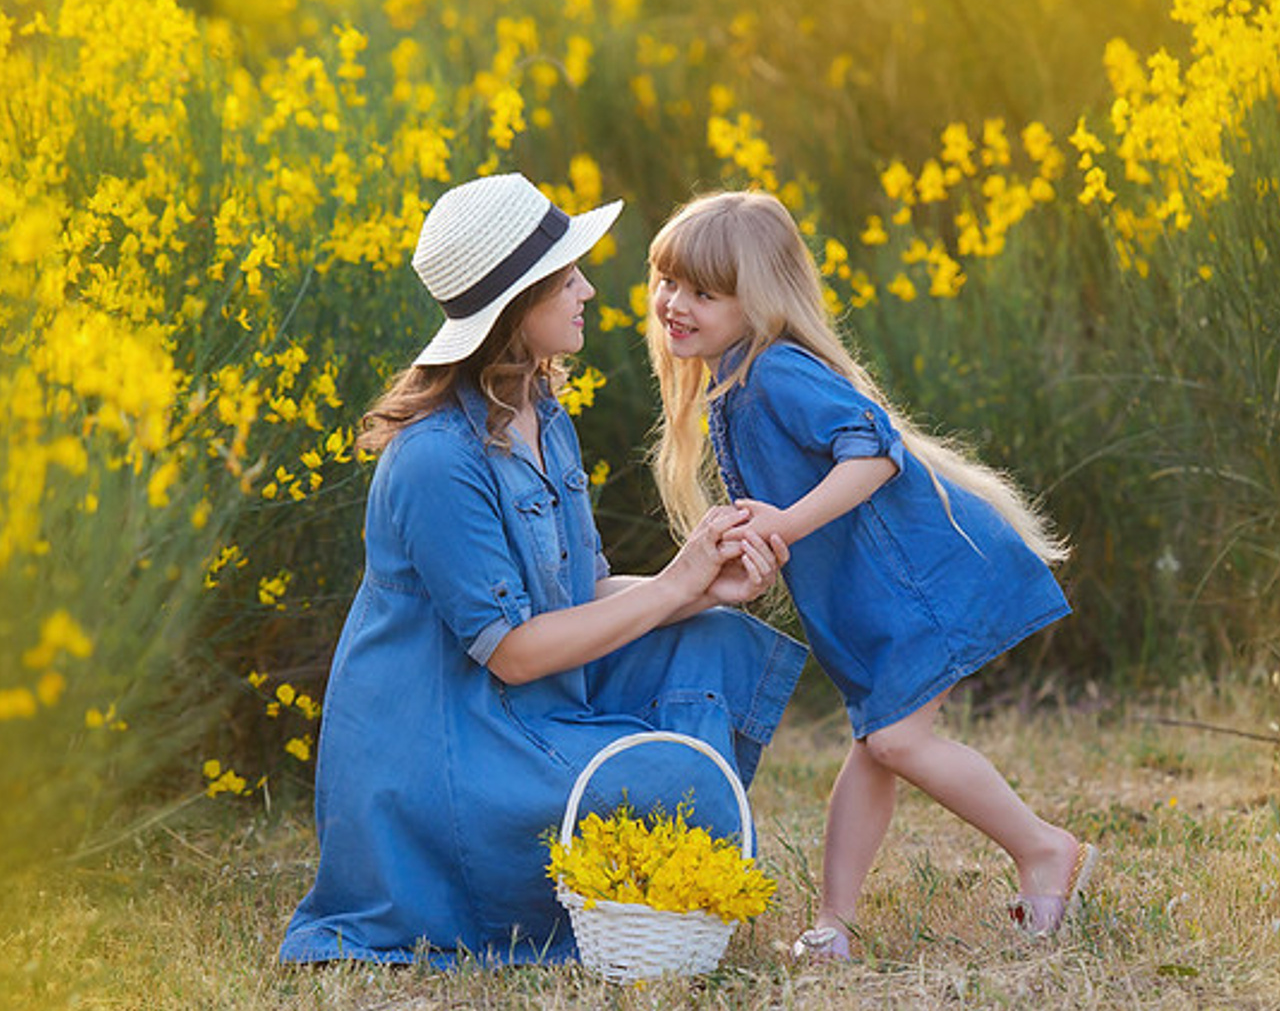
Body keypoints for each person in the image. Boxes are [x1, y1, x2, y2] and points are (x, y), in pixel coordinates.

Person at [279, 173, 806, 967]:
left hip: (531, 710)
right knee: (663, 793)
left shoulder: (542, 414)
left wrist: (694, 587)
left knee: (711, 637)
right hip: (453, 754)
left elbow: (583, 594)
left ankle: (660, 882)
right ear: (517, 304)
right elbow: (516, 650)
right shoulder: (433, 460)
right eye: (566, 278)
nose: (589, 288)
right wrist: (669, 586)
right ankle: (641, 884)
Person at [644, 188, 1096, 959]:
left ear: (756, 300)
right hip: (881, 598)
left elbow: (876, 452)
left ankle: (1048, 850)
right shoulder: (735, 380)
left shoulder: (776, 372)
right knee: (876, 742)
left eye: (703, 292)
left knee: (891, 739)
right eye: (667, 282)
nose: (673, 304)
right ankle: (836, 926)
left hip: (927, 581)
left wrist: (783, 524)